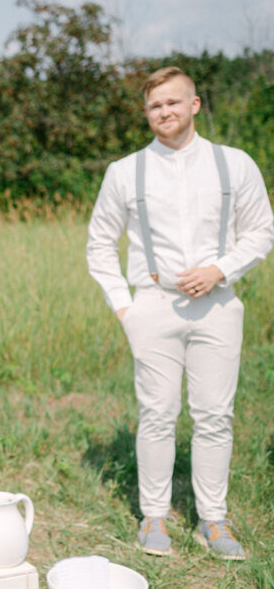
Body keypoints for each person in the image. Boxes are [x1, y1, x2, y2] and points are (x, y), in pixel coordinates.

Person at [87, 67, 274, 560]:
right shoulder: (125, 172)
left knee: (215, 415)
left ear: (193, 105)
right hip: (152, 305)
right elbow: (99, 245)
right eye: (154, 106)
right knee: (157, 413)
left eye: (173, 102)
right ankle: (154, 516)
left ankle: (213, 521)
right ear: (146, 113)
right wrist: (126, 309)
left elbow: (261, 231)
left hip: (217, 305)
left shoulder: (234, 165)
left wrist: (221, 269)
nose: (164, 112)